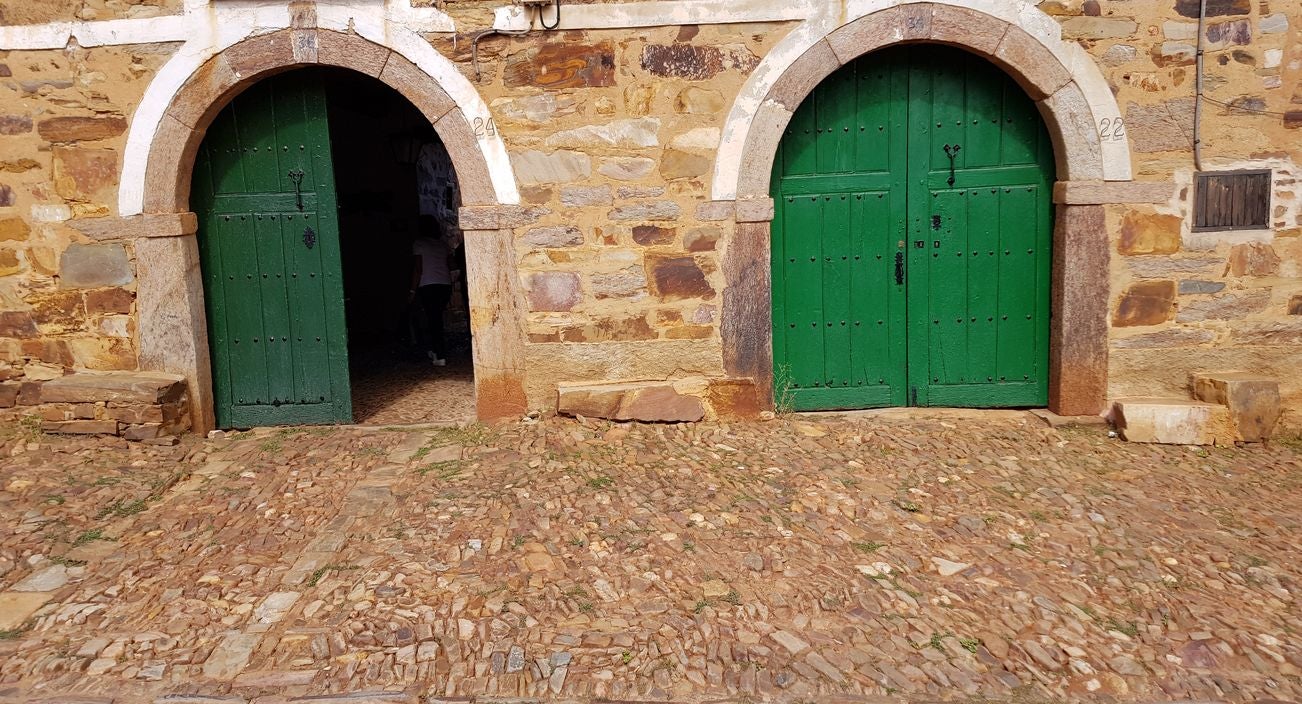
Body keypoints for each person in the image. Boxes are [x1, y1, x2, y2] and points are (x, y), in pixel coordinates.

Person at [410, 216, 453, 367]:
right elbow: (450, 265)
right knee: (437, 318)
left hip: (428, 285)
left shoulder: (419, 244)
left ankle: (439, 355)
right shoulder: (443, 245)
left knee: (432, 320)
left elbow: (418, 269)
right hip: (445, 285)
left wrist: (412, 291)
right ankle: (435, 350)